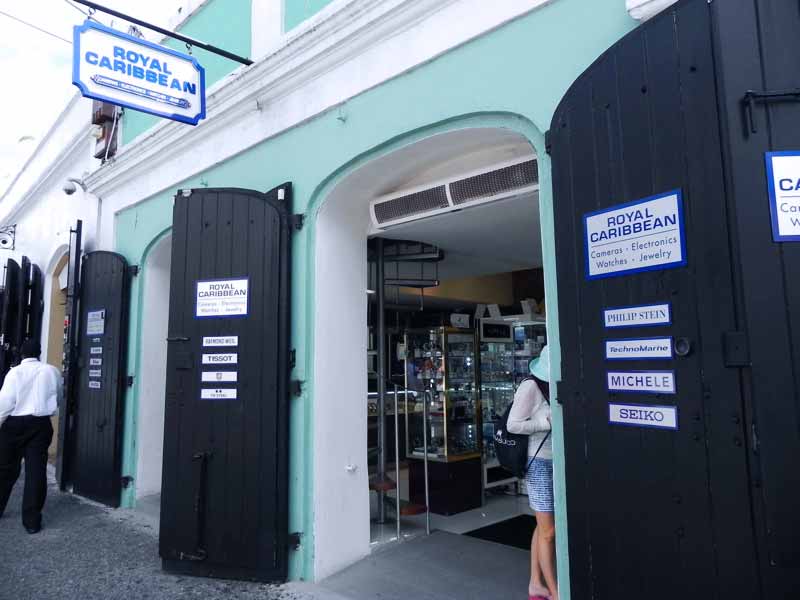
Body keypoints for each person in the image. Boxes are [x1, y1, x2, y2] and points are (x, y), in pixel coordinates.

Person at [507, 345, 558, 600]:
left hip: (556, 462)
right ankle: (556, 592)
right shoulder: (531, 387)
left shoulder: (554, 385)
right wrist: (545, 424)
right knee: (549, 532)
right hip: (538, 463)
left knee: (544, 527)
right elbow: (513, 425)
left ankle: (535, 584)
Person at [0, 339, 62, 534]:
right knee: (36, 471)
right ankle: (32, 521)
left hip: (14, 425)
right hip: (40, 424)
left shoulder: (14, 373)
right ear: (40, 353)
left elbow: (6, 402)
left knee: (5, 470)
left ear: (22, 355)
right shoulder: (52, 371)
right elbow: (58, 396)